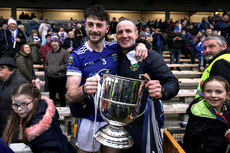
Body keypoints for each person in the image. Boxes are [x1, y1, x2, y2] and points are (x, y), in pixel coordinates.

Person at [66, 5, 147, 153]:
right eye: (90, 24)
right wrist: (84, 89)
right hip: (89, 118)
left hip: (114, 119)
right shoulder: (76, 56)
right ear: (85, 26)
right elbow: (71, 95)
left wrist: (142, 44)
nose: (94, 29)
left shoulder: (115, 47)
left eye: (99, 25)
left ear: (107, 29)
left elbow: (131, 42)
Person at [116, 18, 179, 153]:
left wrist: (162, 91)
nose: (124, 35)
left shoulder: (149, 56)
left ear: (136, 34)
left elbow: (172, 83)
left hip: (144, 123)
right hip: (118, 121)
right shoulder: (113, 54)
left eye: (128, 31)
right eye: (120, 32)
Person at [2, 83, 76, 153]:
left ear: (35, 101)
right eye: (15, 105)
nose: (19, 109)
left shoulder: (42, 130)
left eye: (24, 104)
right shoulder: (40, 106)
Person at [183, 75, 230, 153]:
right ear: (203, 93)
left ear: (227, 95)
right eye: (208, 91)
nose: (213, 95)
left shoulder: (227, 107)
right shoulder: (198, 114)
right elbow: (190, 143)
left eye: (218, 92)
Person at [0, 57, 28, 137]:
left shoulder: (21, 84)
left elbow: (26, 107)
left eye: (2, 68)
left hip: (13, 127)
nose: (0, 69)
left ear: (11, 70)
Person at [45, 35, 69, 107]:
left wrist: (58, 68)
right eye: (52, 42)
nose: (53, 43)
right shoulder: (49, 53)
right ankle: (52, 110)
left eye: (55, 41)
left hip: (60, 77)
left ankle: (63, 108)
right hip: (51, 77)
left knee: (61, 95)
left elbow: (69, 63)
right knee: (51, 95)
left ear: (58, 43)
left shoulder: (65, 52)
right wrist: (48, 69)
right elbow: (46, 63)